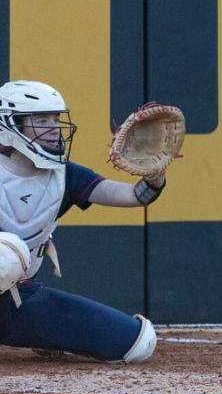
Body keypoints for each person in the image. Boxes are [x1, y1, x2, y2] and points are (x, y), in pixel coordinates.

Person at [0, 80, 162, 363]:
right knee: (8, 250)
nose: (53, 128)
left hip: (19, 299)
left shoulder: (64, 175)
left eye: (56, 119)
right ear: (10, 125)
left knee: (138, 343)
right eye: (41, 120)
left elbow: (134, 196)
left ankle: (42, 332)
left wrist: (154, 177)